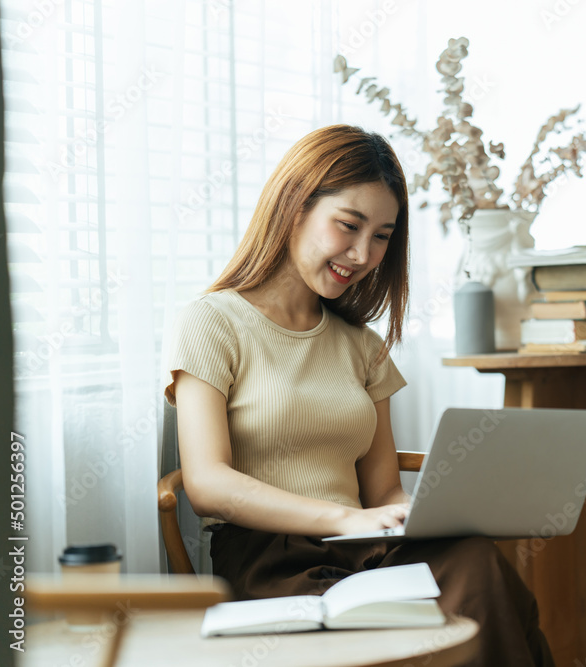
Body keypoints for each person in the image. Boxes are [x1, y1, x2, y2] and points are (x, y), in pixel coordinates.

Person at [163, 125, 554, 666]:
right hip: (272, 556)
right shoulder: (212, 322)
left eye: (382, 236)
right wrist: (343, 520)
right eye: (348, 226)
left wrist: (416, 516)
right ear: (293, 207)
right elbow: (207, 484)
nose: (362, 253)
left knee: (474, 562)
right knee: (427, 617)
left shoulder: (363, 346)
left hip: (366, 550)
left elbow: (383, 490)